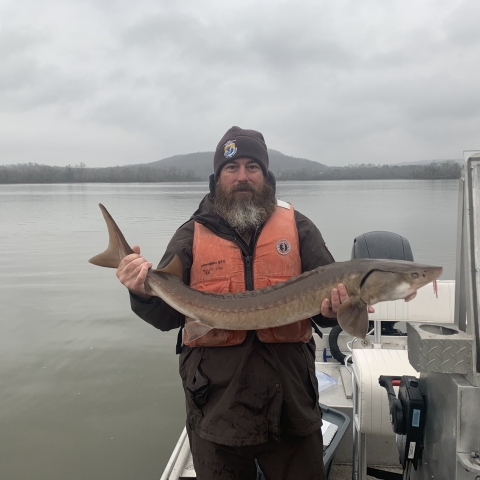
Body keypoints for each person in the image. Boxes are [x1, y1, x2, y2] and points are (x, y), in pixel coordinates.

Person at [116, 126, 350, 480]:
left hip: (291, 408)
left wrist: (338, 310)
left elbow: (330, 305)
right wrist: (140, 290)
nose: (242, 176)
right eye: (232, 167)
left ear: (266, 176)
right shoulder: (190, 234)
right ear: (217, 178)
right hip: (217, 410)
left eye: (252, 167)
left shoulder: (299, 228)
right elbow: (167, 316)